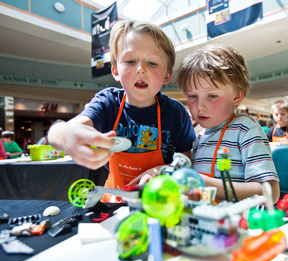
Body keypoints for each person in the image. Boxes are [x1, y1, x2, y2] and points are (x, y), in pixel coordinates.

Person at [48, 20, 196, 202]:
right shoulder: (108, 103)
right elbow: (59, 133)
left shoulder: (176, 113)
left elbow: (186, 163)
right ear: (116, 71)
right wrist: (65, 135)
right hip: (114, 201)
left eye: (152, 63)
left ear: (167, 75)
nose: (141, 70)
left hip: (159, 202)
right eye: (130, 61)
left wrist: (159, 171)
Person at [174, 43, 280, 203]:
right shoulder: (199, 138)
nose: (200, 106)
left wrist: (201, 182)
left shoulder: (246, 129)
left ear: (237, 96)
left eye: (212, 96)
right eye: (192, 96)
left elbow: (269, 192)